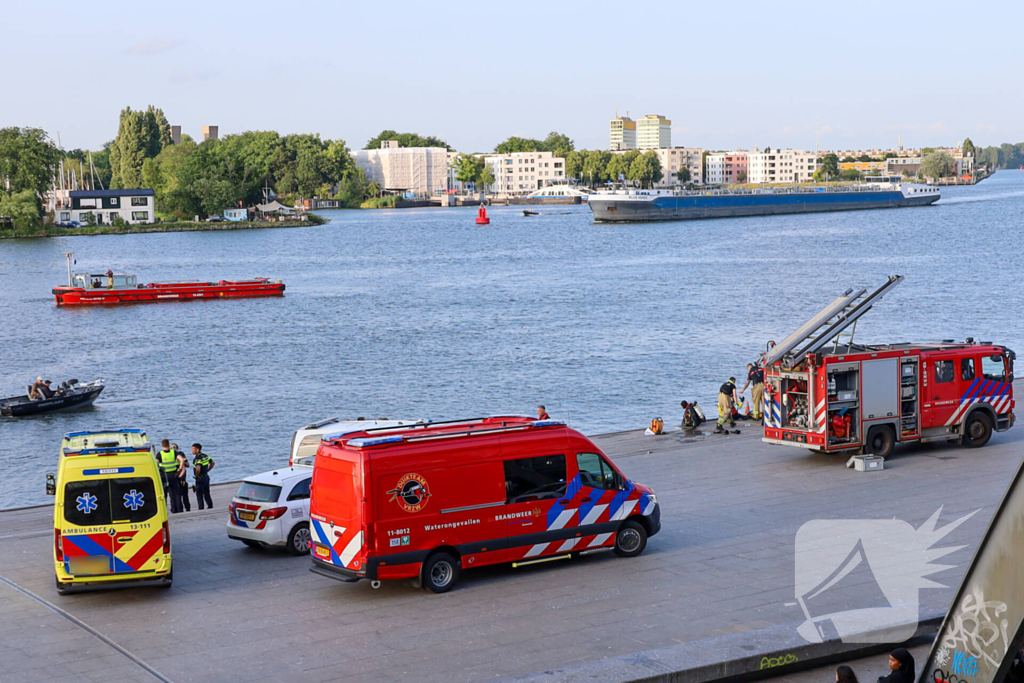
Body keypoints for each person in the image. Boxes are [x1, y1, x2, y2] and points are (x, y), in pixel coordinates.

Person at [158, 439, 182, 513]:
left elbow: (156, 462)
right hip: (173, 474)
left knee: (165, 493)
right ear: (169, 445)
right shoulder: (173, 452)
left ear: (162, 445)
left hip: (164, 476)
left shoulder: (160, 454)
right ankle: (178, 509)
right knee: (176, 493)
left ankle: (165, 510)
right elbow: (182, 460)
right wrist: (180, 469)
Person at [192, 443, 215, 509]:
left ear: (197, 449)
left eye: (193, 449)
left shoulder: (198, 458)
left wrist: (196, 476)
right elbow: (212, 463)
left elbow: (198, 469)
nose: (192, 450)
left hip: (200, 478)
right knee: (207, 493)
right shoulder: (205, 456)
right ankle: (210, 506)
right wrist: (207, 470)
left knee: (199, 494)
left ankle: (201, 508)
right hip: (206, 477)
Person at [172, 444, 190, 512]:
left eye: (174, 447)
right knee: (177, 495)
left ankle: (186, 508)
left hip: (180, 476)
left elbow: (187, 464)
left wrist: (181, 462)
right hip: (176, 476)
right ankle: (179, 509)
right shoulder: (171, 455)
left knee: (183, 494)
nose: (173, 449)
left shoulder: (180, 454)